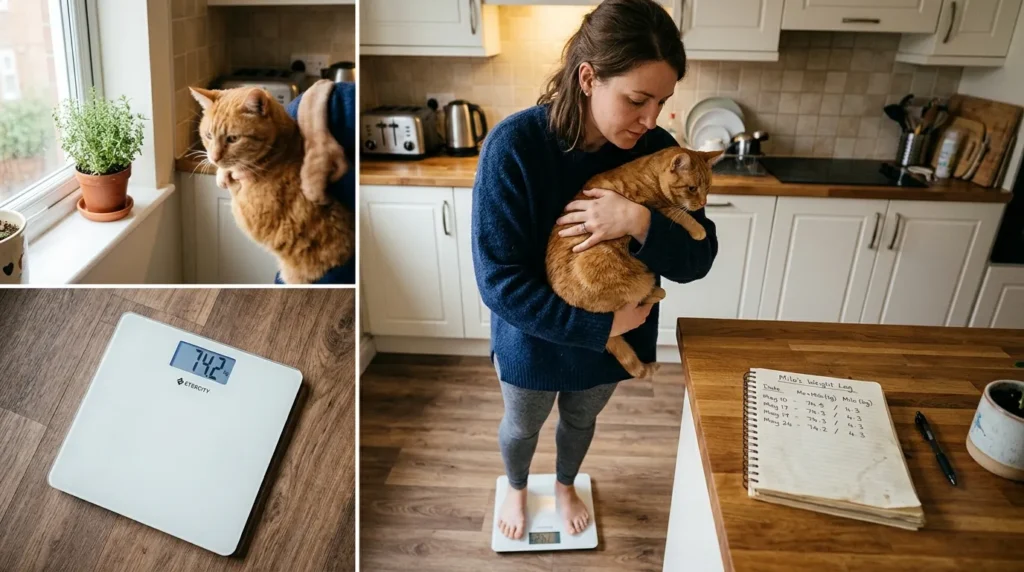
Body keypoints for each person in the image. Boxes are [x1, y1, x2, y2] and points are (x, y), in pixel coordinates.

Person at [470, 0, 719, 540]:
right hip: (537, 339)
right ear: (588, 78)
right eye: (637, 100)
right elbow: (499, 281)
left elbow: (699, 259)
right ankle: (515, 486)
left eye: (662, 101)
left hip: (618, 331)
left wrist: (638, 220)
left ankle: (563, 484)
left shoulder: (657, 150)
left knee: (582, 420)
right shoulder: (515, 147)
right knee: (522, 424)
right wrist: (600, 328)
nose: (652, 119)